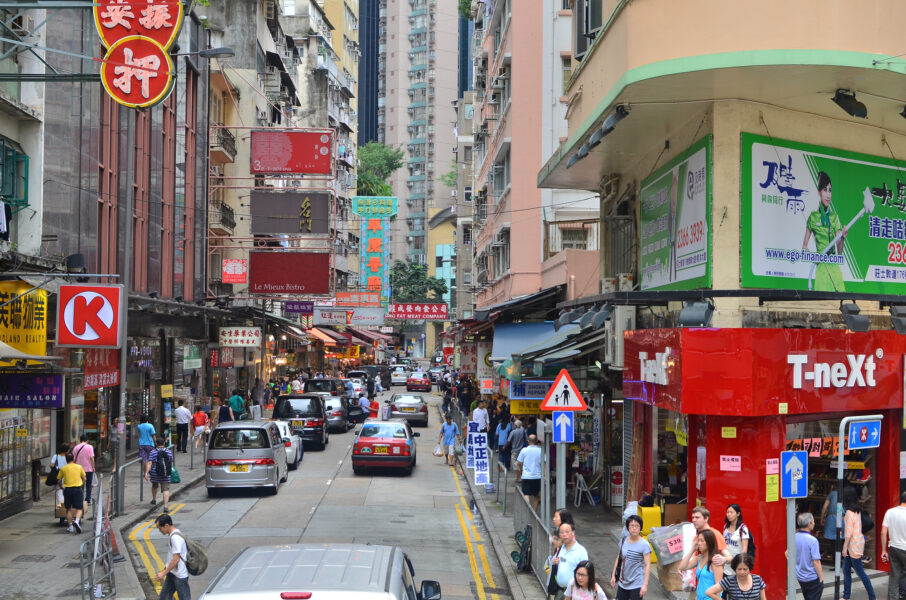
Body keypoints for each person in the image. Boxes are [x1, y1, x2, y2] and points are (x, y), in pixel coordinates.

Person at [802, 171, 847, 292]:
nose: (828, 195)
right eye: (824, 190)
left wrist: (842, 238)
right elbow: (804, 246)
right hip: (821, 270)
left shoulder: (834, 217)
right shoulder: (813, 217)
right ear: (819, 192)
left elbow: (840, 252)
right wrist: (815, 259)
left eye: (830, 190)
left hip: (835, 269)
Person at [842, 486, 876, 600]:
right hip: (858, 542)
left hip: (853, 545)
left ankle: (872, 597)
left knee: (861, 573)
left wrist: (844, 548)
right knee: (846, 571)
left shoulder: (848, 513)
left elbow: (849, 533)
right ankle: (846, 596)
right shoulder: (857, 509)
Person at [611, 514, 651, 600]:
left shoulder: (644, 544)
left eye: (637, 526)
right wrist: (613, 576)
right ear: (628, 527)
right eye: (632, 525)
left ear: (640, 528)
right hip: (623, 583)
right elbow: (619, 558)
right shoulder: (624, 540)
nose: (634, 528)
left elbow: (647, 565)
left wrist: (645, 585)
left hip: (636, 583)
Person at [677, 529, 723, 600]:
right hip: (700, 597)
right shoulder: (699, 558)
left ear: (709, 542)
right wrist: (692, 550)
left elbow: (719, 586)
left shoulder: (715, 561)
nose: (699, 543)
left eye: (702, 541)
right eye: (698, 540)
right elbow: (682, 567)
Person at [155, 513, 191, 600]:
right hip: (172, 573)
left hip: (179, 576)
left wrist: (163, 573)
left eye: (160, 528)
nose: (160, 531)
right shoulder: (175, 534)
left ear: (166, 525)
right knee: (164, 597)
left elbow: (176, 558)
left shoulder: (175, 538)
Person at [552, 521, 589, 599]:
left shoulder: (581, 551)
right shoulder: (562, 548)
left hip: (575, 593)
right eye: (561, 532)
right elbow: (561, 561)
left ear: (573, 533)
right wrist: (556, 562)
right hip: (560, 591)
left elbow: (586, 573)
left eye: (567, 532)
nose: (564, 535)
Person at [881, 491, 906, 600]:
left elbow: (883, 532)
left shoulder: (890, 512)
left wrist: (883, 551)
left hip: (893, 547)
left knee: (894, 576)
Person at [792, 512, 823, 600]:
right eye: (813, 521)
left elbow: (787, 553)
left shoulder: (794, 537)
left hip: (800, 576)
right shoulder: (812, 540)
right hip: (812, 577)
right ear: (809, 524)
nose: (814, 523)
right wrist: (821, 578)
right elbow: (816, 561)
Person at [58, 452, 86, 534]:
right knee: (79, 508)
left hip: (67, 490)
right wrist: (82, 484)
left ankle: (70, 527)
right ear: (73, 459)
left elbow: (58, 480)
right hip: (77, 489)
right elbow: (84, 478)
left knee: (68, 509)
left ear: (66, 460)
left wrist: (61, 486)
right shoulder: (79, 467)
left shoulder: (63, 468)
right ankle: (77, 521)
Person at [145, 436, 174, 513]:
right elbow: (171, 462)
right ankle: (166, 506)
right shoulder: (168, 451)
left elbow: (150, 462)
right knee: (166, 489)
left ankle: (154, 499)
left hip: (155, 473)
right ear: (164, 443)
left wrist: (146, 472)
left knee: (154, 485)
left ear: (156, 444)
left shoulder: (153, 452)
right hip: (166, 473)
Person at [516, 434, 542, 512]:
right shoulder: (540, 450)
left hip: (526, 476)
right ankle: (534, 511)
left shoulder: (524, 450)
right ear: (536, 441)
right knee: (536, 495)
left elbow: (519, 462)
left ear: (528, 441)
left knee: (526, 494)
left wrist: (521, 470)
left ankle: (528, 511)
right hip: (537, 476)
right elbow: (544, 463)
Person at [71, 434, 96, 504]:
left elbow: (74, 459)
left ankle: (80, 499)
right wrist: (93, 467)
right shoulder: (90, 447)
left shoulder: (75, 447)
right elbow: (92, 458)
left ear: (80, 440)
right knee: (89, 485)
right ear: (87, 440)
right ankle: (88, 499)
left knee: (80, 485)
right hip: (88, 469)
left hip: (78, 470)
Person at [51, 443, 69, 525]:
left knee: (60, 497)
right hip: (67, 479)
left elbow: (51, 465)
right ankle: (67, 514)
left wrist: (56, 468)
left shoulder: (56, 456)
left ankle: (62, 516)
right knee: (67, 497)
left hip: (59, 479)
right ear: (67, 450)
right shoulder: (68, 457)